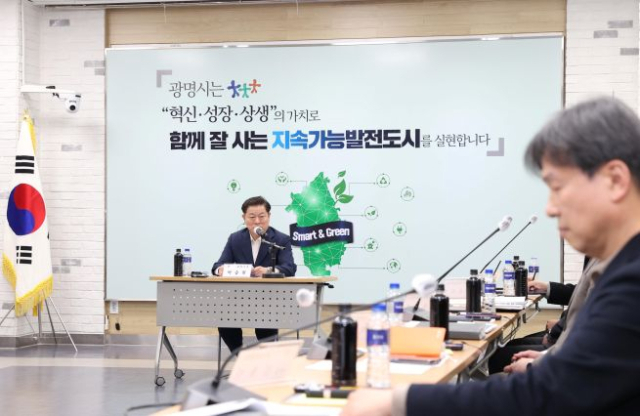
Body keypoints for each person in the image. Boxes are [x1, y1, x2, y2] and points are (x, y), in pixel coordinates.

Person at [341, 97, 640, 415]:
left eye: (557, 187)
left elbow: (549, 394)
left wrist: (397, 402)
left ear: (615, 180)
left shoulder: (632, 280)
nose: (551, 208)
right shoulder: (623, 266)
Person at [211, 196, 297, 352]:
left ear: (269, 216)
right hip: (239, 298)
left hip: (269, 299)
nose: (257, 221)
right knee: (225, 322)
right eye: (252, 217)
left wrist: (269, 271)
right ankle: (240, 356)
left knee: (266, 327)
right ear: (244, 218)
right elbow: (217, 266)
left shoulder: (280, 239)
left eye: (262, 216)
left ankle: (267, 360)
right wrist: (220, 270)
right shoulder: (235, 239)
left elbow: (290, 268)